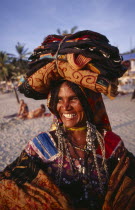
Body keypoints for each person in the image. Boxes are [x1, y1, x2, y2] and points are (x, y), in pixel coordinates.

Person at [0, 30, 135, 209]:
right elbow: (8, 186)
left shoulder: (111, 145)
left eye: (73, 98)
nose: (65, 107)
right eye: (59, 100)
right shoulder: (41, 146)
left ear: (88, 102)